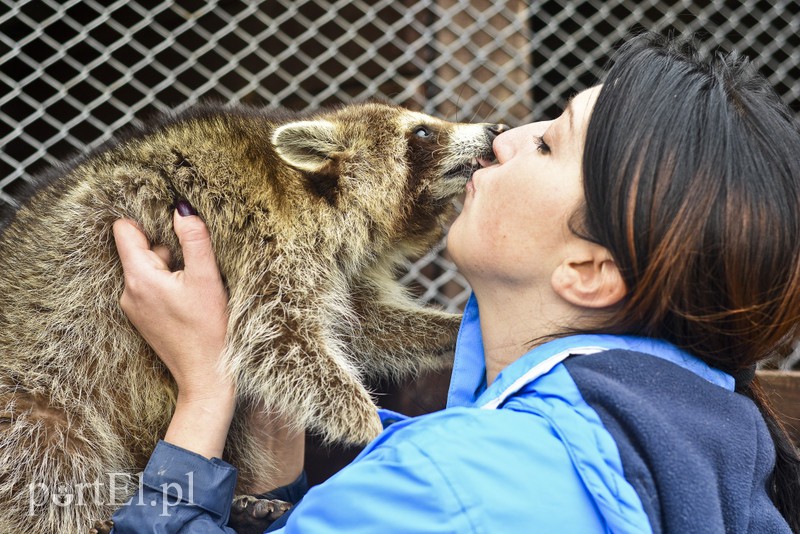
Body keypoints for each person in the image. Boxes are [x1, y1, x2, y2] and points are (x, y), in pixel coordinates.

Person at [108, 33, 800, 533]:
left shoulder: (446, 485)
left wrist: (205, 393)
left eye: (547, 143)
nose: (502, 136)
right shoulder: (714, 442)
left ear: (590, 271)